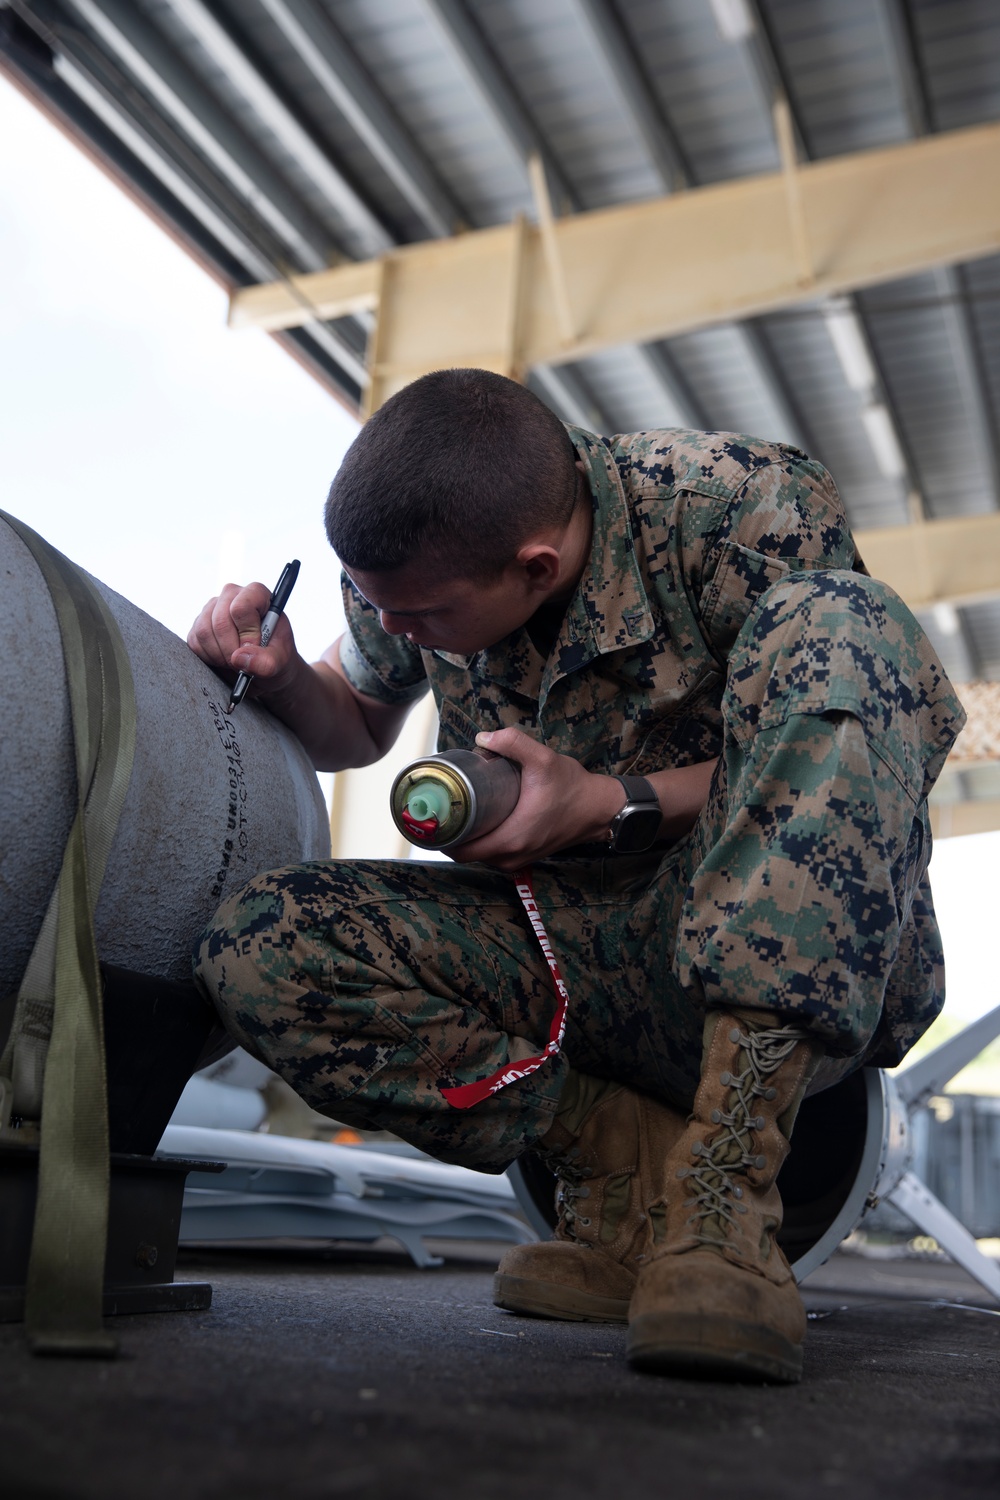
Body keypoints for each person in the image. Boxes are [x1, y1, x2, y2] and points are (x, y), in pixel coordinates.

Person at [189, 368, 963, 1383]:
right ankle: (616, 1173)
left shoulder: (740, 511)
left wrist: (609, 801)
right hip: (565, 954)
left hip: (765, 934)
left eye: (421, 615)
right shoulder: (416, 569)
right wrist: (292, 678)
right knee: (261, 941)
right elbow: (361, 720)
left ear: (536, 564)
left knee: (844, 619)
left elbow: (845, 736)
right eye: (385, 611)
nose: (400, 632)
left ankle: (723, 1202)